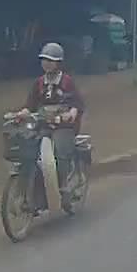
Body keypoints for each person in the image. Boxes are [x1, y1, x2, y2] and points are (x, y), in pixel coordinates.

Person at [19, 42, 86, 210]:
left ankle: (64, 186)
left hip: (64, 127)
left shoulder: (67, 82)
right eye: (44, 60)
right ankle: (36, 195)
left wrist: (72, 113)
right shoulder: (39, 83)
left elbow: (78, 103)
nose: (46, 64)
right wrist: (22, 113)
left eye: (51, 60)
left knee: (60, 153)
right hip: (43, 125)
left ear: (58, 63)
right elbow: (30, 105)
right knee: (31, 152)